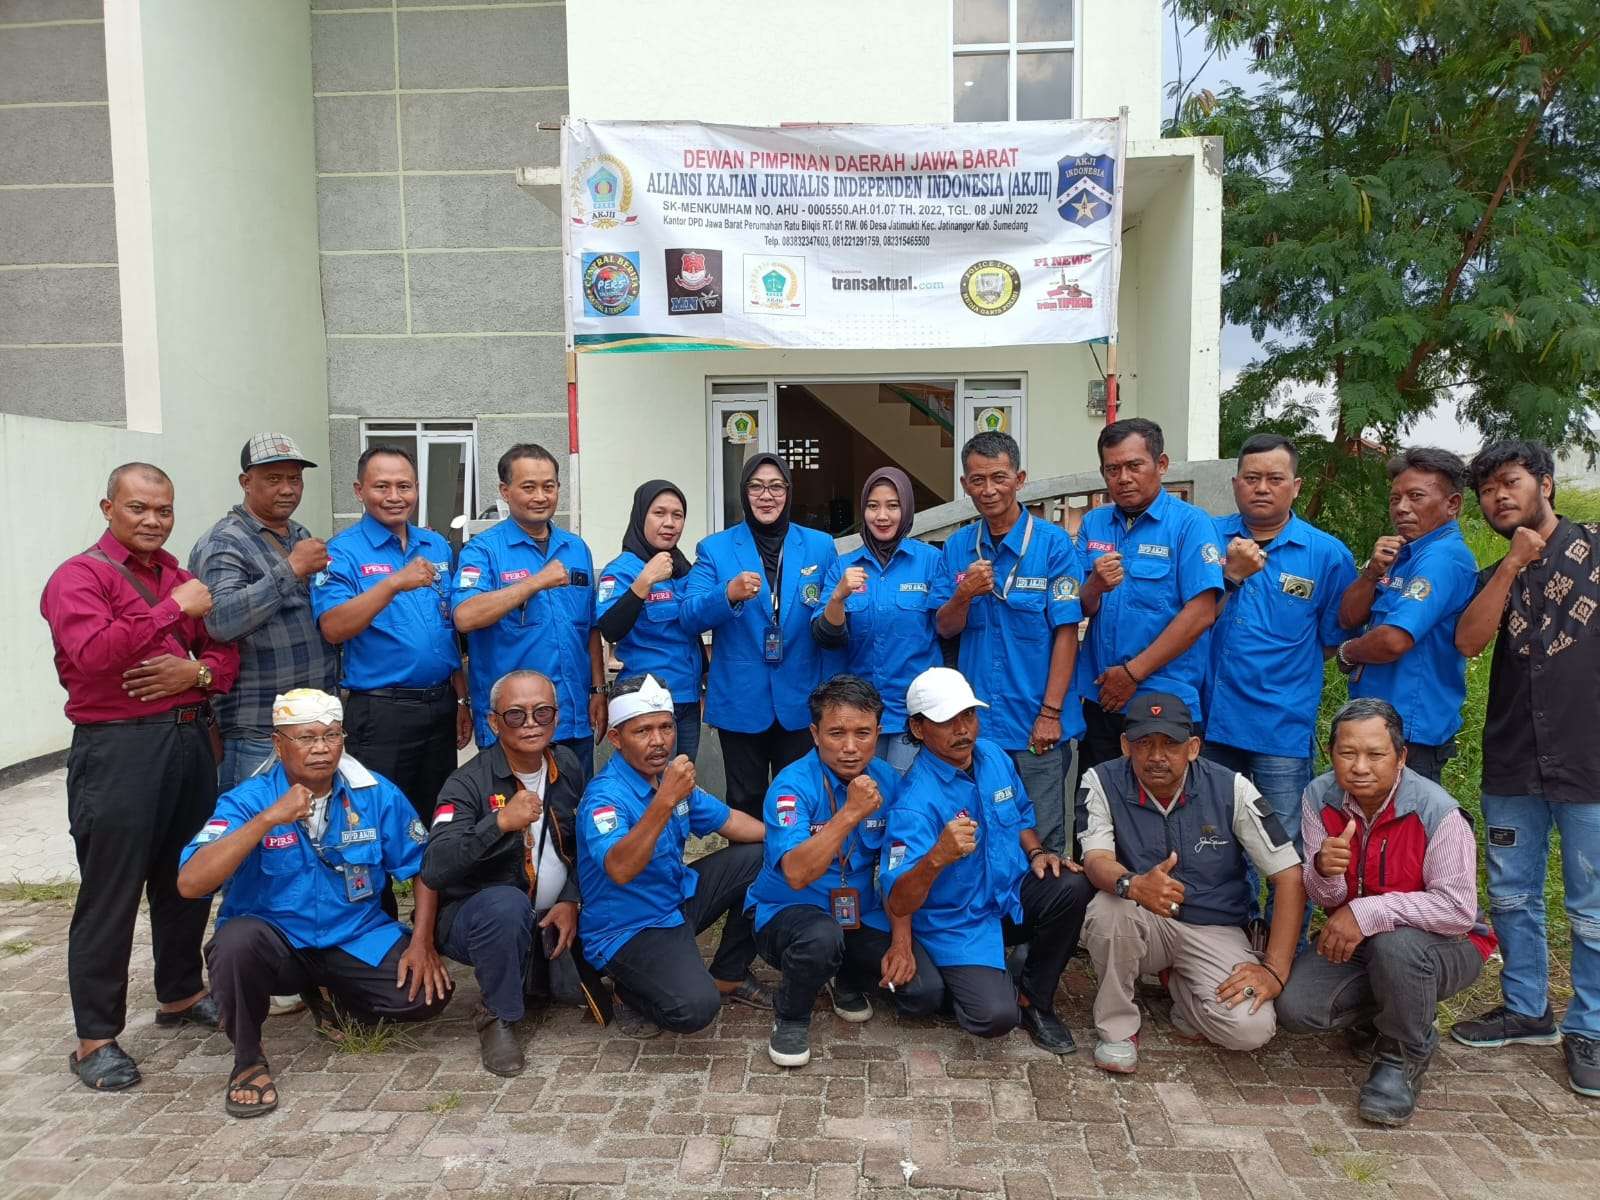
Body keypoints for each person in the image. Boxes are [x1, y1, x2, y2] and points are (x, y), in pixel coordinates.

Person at [40, 463, 239, 1092]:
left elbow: (223, 651)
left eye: (163, 510)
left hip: (189, 739)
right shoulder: (80, 577)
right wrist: (170, 613)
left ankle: (180, 994)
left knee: (185, 878)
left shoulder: (179, 577)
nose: (153, 520)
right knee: (112, 890)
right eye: (138, 508)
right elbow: (93, 654)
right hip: (118, 747)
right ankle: (94, 1040)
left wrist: (196, 673)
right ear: (109, 508)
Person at [177, 689, 453, 1117]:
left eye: (331, 735)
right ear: (278, 743)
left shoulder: (374, 793)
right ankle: (248, 1060)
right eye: (306, 737)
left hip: (353, 936)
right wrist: (267, 819)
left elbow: (423, 867)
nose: (321, 748)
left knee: (427, 996)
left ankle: (331, 997)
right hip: (278, 943)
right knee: (234, 945)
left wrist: (422, 942)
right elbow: (191, 883)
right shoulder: (247, 800)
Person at [1450, 440, 1600, 1098]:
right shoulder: (1495, 574)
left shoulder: (1595, 550)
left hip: (1591, 759)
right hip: (1513, 758)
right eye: (1487, 491)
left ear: (1545, 482)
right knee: (1512, 891)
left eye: (1510, 482)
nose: (1498, 497)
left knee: (1592, 906)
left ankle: (1590, 1027)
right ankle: (1526, 1009)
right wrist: (1511, 565)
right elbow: (1468, 641)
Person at [1276, 698, 1494, 1127]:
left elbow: (1457, 910)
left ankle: (1402, 1054)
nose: (1360, 767)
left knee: (1398, 946)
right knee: (1297, 1008)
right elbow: (1324, 895)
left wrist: (1367, 911)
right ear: (1331, 753)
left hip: (1447, 945)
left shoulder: (1438, 811)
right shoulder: (1319, 796)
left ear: (1401, 757)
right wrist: (1323, 869)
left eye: (1375, 754)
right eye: (1347, 753)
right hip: (1363, 943)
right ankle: (1392, 1013)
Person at [1077, 692, 1304, 1075]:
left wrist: (1275, 971)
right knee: (1107, 909)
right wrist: (1134, 885)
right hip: (1142, 918)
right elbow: (1096, 860)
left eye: (1170, 744)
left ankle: (1182, 988)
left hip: (1214, 926)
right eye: (1144, 743)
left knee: (1250, 1029)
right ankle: (1118, 1028)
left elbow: (1289, 877)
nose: (1156, 756)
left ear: (1193, 747)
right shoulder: (1100, 780)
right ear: (1125, 746)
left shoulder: (1232, 787)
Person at [880, 667, 1091, 1054]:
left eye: (969, 715)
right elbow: (898, 899)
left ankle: (1034, 999)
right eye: (947, 720)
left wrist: (1037, 852)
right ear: (918, 728)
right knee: (995, 1017)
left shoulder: (992, 755)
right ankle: (960, 981)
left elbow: (1021, 814)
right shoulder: (913, 804)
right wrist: (936, 858)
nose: (963, 729)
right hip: (957, 922)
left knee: (1072, 885)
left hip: (1007, 896)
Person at [745, 676, 944, 1068]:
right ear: (815, 734)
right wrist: (850, 813)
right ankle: (791, 1015)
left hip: (859, 914)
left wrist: (901, 943)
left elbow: (899, 868)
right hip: (787, 913)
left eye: (862, 733)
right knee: (821, 938)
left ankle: (844, 977)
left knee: (924, 993)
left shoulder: (890, 781)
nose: (850, 747)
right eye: (836, 733)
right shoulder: (791, 787)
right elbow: (797, 873)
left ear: (878, 733)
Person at [1203, 433, 1356, 937]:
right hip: (1211, 721)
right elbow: (1186, 617)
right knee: (1218, 838)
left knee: (1284, 841)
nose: (1262, 488)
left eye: (1274, 478)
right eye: (1251, 478)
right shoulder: (1207, 539)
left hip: (1281, 729)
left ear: (1296, 486)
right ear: (1235, 484)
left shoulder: (1326, 555)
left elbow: (1331, 639)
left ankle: (1285, 948)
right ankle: (1234, 936)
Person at [422, 669, 609, 1077]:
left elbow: (584, 846)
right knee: (505, 906)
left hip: (548, 913)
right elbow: (435, 867)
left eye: (542, 712)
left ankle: (552, 968)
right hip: (478, 916)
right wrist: (499, 823)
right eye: (515, 715)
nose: (530, 724)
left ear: (557, 717)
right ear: (493, 722)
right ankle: (496, 1016)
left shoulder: (566, 765)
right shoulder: (467, 783)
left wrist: (571, 898)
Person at [577, 675, 771, 1036]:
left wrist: (795, 838)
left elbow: (731, 821)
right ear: (616, 738)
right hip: (628, 928)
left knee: (764, 856)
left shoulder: (668, 778)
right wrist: (666, 799)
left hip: (675, 899)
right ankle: (626, 991)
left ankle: (729, 973)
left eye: (666, 727)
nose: (659, 741)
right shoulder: (605, 798)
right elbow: (620, 868)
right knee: (695, 1008)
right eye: (643, 731)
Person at [930, 433, 1085, 854]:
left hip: (1036, 724)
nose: (989, 490)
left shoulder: (1053, 545)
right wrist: (964, 595)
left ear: (1020, 478)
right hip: (978, 728)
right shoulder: (959, 546)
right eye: (978, 480)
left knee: (1043, 842)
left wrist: (1051, 713)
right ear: (965, 485)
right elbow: (945, 628)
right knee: (982, 840)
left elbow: (1067, 633)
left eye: (999, 477)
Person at [312, 445, 470, 823]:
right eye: (382, 486)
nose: (395, 497)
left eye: (404, 486)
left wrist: (462, 699)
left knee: (437, 816)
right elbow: (333, 627)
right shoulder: (342, 552)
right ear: (359, 490)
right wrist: (393, 583)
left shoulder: (435, 545)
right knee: (376, 818)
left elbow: (446, 629)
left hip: (440, 704)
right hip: (382, 712)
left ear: (417, 489)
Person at [680, 454, 840, 816]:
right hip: (740, 700)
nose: (766, 496)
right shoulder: (715, 548)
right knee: (745, 802)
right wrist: (727, 594)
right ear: (744, 493)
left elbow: (832, 617)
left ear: (789, 491)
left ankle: (793, 856)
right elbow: (689, 616)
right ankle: (748, 856)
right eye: (756, 486)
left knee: (800, 803)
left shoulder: (819, 546)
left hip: (802, 699)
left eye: (776, 486)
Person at [188, 432, 336, 789]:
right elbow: (220, 621)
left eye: (294, 479)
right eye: (273, 479)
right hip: (256, 728)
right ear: (246, 482)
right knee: (257, 820)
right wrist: (291, 569)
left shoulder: (298, 533)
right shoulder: (224, 541)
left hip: (310, 722)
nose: (287, 489)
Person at [1075, 418, 1224, 771]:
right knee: (1097, 798)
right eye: (1112, 469)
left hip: (1165, 700)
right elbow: (1079, 606)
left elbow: (1202, 613)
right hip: (1102, 697)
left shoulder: (1191, 524)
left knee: (1163, 799)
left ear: (1161, 464)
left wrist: (1132, 674)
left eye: (1134, 466)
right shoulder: (1094, 524)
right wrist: (1094, 586)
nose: (1123, 478)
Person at [453, 443, 605, 784]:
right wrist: (534, 583)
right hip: (515, 726)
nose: (540, 496)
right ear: (505, 491)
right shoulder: (483, 551)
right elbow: (465, 616)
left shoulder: (575, 548)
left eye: (548, 486)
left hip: (572, 718)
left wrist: (598, 690)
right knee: (515, 814)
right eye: (528, 487)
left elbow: (590, 628)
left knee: (574, 810)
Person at [1334, 447, 1478, 784]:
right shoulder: (1402, 553)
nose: (1401, 508)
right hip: (1374, 728)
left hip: (1409, 738)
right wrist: (1372, 572)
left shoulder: (1442, 558)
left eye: (1416, 497)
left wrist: (1348, 652)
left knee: (1406, 819)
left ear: (1453, 504)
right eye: (1395, 498)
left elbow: (1394, 640)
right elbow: (1348, 618)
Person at [812, 468, 941, 774]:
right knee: (863, 795)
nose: (882, 516)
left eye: (892, 506)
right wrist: (838, 596)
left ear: (906, 509)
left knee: (906, 793)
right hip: (857, 716)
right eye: (873, 506)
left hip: (913, 712)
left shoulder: (931, 561)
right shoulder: (843, 566)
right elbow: (826, 635)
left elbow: (948, 629)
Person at [594, 480, 705, 761]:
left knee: (683, 779)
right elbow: (610, 629)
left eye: (677, 515)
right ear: (641, 515)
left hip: (687, 699)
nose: (669, 523)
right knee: (649, 783)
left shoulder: (684, 569)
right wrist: (645, 581)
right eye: (659, 513)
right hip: (645, 702)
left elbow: (690, 631)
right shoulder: (622, 570)